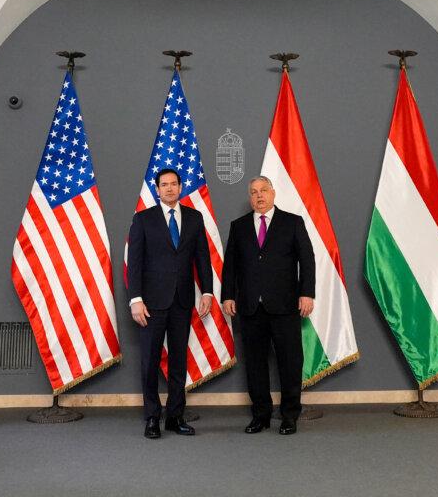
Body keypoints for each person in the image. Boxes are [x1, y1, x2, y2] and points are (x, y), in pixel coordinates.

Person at [221, 175, 315, 435]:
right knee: (255, 364)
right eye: (253, 192)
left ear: (273, 193)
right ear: (249, 197)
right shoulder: (238, 226)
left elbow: (307, 260)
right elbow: (231, 265)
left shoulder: (292, 223)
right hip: (250, 307)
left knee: (289, 362)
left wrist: (307, 293)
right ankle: (260, 415)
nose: (259, 195)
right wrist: (228, 295)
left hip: (285, 306)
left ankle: (289, 416)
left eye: (263, 190)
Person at [127, 168, 213, 439]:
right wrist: (136, 299)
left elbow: (203, 258)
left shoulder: (195, 218)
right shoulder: (143, 219)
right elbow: (136, 264)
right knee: (150, 361)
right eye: (163, 185)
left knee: (178, 361)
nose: (169, 189)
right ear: (157, 189)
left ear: (180, 187)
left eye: (173, 184)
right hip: (151, 303)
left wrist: (208, 292)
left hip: (182, 301)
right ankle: (152, 417)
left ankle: (175, 416)